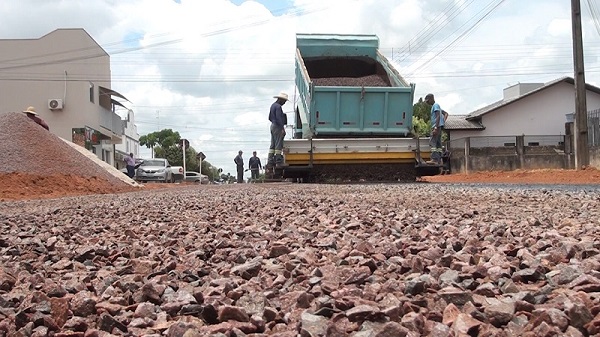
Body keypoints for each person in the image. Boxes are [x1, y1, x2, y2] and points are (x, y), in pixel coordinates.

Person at [268, 92, 288, 166]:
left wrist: (274, 122)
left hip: (272, 126)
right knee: (278, 144)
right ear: (281, 100)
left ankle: (270, 160)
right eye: (284, 101)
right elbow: (279, 118)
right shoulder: (278, 107)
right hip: (277, 126)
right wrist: (282, 128)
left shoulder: (272, 106)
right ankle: (278, 161)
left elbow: (269, 117)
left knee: (272, 144)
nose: (284, 103)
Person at [424, 93, 445, 164]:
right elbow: (444, 114)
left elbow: (438, 116)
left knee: (432, 142)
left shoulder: (435, 105)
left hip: (437, 126)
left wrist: (435, 127)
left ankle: (434, 159)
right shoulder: (436, 106)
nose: (427, 103)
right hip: (439, 126)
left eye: (427, 101)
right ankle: (439, 159)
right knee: (438, 144)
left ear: (431, 99)